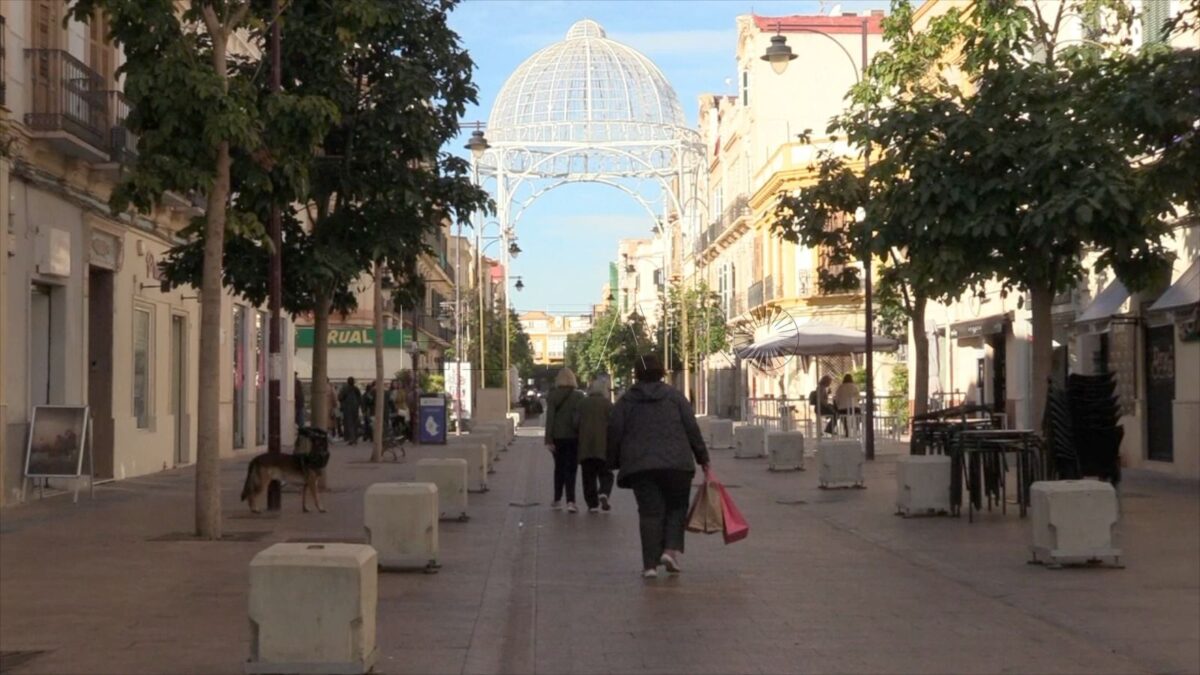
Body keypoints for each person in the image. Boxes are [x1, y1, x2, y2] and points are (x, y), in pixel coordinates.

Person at [607, 355, 709, 579]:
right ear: (661, 372)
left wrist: (612, 461)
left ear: (637, 373)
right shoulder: (675, 397)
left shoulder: (625, 401)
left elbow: (614, 431)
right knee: (676, 507)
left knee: (649, 513)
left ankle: (650, 565)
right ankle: (670, 551)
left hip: (640, 465)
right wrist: (703, 459)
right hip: (677, 464)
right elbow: (692, 428)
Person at [544, 368, 585, 513]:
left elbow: (550, 419)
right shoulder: (579, 396)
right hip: (574, 437)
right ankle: (571, 501)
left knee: (559, 468)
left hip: (557, 437)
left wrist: (548, 439)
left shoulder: (553, 396)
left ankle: (557, 499)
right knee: (571, 469)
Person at [577, 376, 614, 513]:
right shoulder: (607, 404)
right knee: (606, 473)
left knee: (588, 476)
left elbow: (575, 422)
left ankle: (592, 504)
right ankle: (604, 492)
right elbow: (613, 425)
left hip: (585, 445)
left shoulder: (582, 404)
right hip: (603, 445)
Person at [339, 377, 362, 446]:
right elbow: (360, 398)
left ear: (347, 382)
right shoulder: (356, 389)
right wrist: (358, 405)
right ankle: (355, 439)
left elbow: (340, 397)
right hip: (355, 409)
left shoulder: (345, 389)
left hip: (347, 408)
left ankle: (351, 439)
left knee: (349, 424)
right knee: (355, 423)